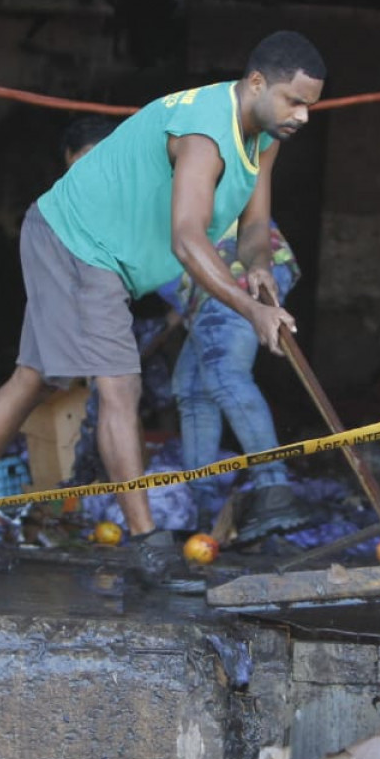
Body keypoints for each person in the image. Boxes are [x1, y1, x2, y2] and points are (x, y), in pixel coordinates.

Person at [0, 31, 326, 578]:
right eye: (294, 101)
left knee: (34, 379)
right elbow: (187, 239)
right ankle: (146, 543)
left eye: (310, 106)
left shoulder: (264, 139)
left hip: (86, 246)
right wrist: (250, 311)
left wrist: (258, 269)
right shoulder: (205, 133)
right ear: (256, 83)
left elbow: (254, 226)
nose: (302, 116)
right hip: (78, 242)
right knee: (121, 384)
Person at [160, 217, 310, 540]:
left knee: (225, 374)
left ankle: (273, 490)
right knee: (193, 389)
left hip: (230, 269)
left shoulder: (127, 205)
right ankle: (203, 507)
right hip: (210, 285)